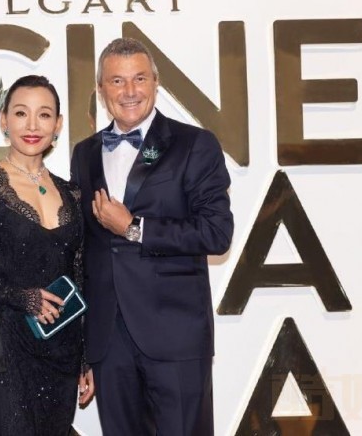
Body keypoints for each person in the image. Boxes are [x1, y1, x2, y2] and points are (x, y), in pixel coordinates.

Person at [70, 38, 234, 435]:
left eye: (140, 78)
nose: (130, 91)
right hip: (109, 339)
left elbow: (216, 233)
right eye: (117, 81)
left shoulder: (194, 144)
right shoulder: (84, 153)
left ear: (156, 83)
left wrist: (134, 227)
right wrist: (83, 348)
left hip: (175, 333)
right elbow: (83, 250)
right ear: (101, 89)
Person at [0, 75, 94, 435]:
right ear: (3, 120)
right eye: (21, 113)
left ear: (58, 125)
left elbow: (79, 275)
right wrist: (21, 297)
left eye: (44, 115)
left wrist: (86, 354)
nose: (32, 125)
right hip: (7, 340)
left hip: (61, 346)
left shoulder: (73, 194)